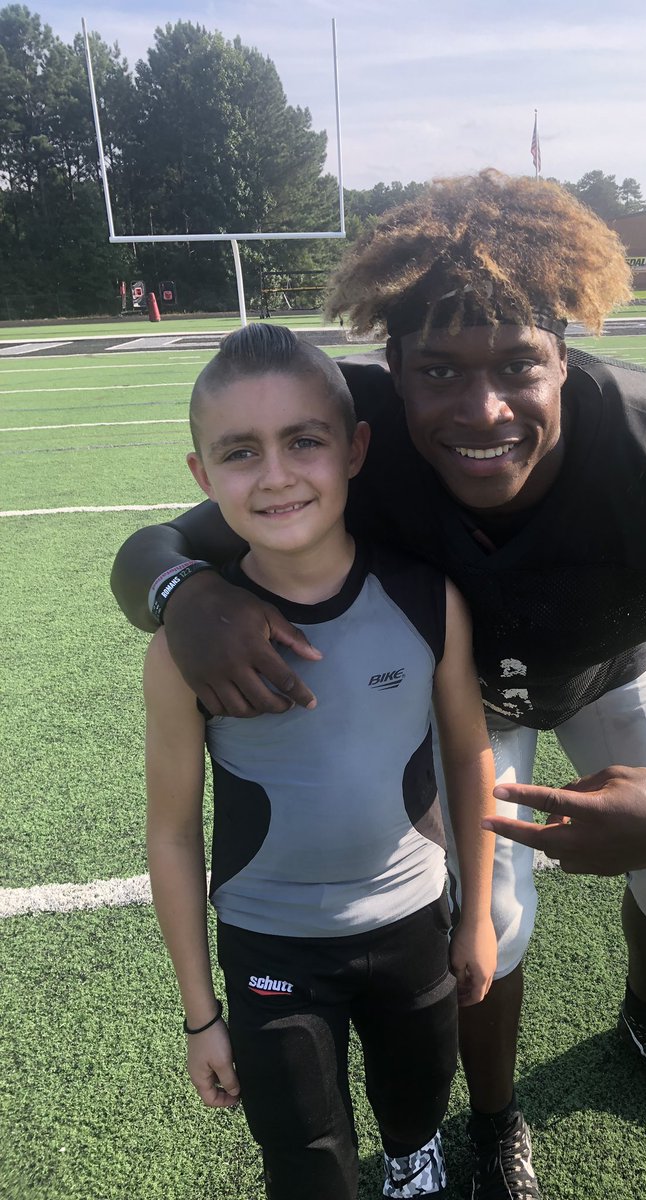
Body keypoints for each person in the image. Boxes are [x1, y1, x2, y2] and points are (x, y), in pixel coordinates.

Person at [117, 171, 646, 1200]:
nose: (481, 407)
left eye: (518, 366)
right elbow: (151, 550)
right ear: (390, 374)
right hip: (461, 698)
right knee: (491, 909)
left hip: (607, 669)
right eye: (440, 370)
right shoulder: (347, 438)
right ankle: (496, 1120)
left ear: (565, 360)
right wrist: (184, 593)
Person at [143, 323, 497, 1200]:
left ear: (355, 449)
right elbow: (173, 835)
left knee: (416, 1133)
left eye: (304, 441)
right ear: (201, 476)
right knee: (308, 1171)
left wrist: (478, 913)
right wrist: (200, 1017)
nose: (275, 475)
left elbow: (467, 754)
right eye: (240, 452)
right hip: (272, 952)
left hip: (414, 926)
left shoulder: (424, 600)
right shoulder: (186, 648)